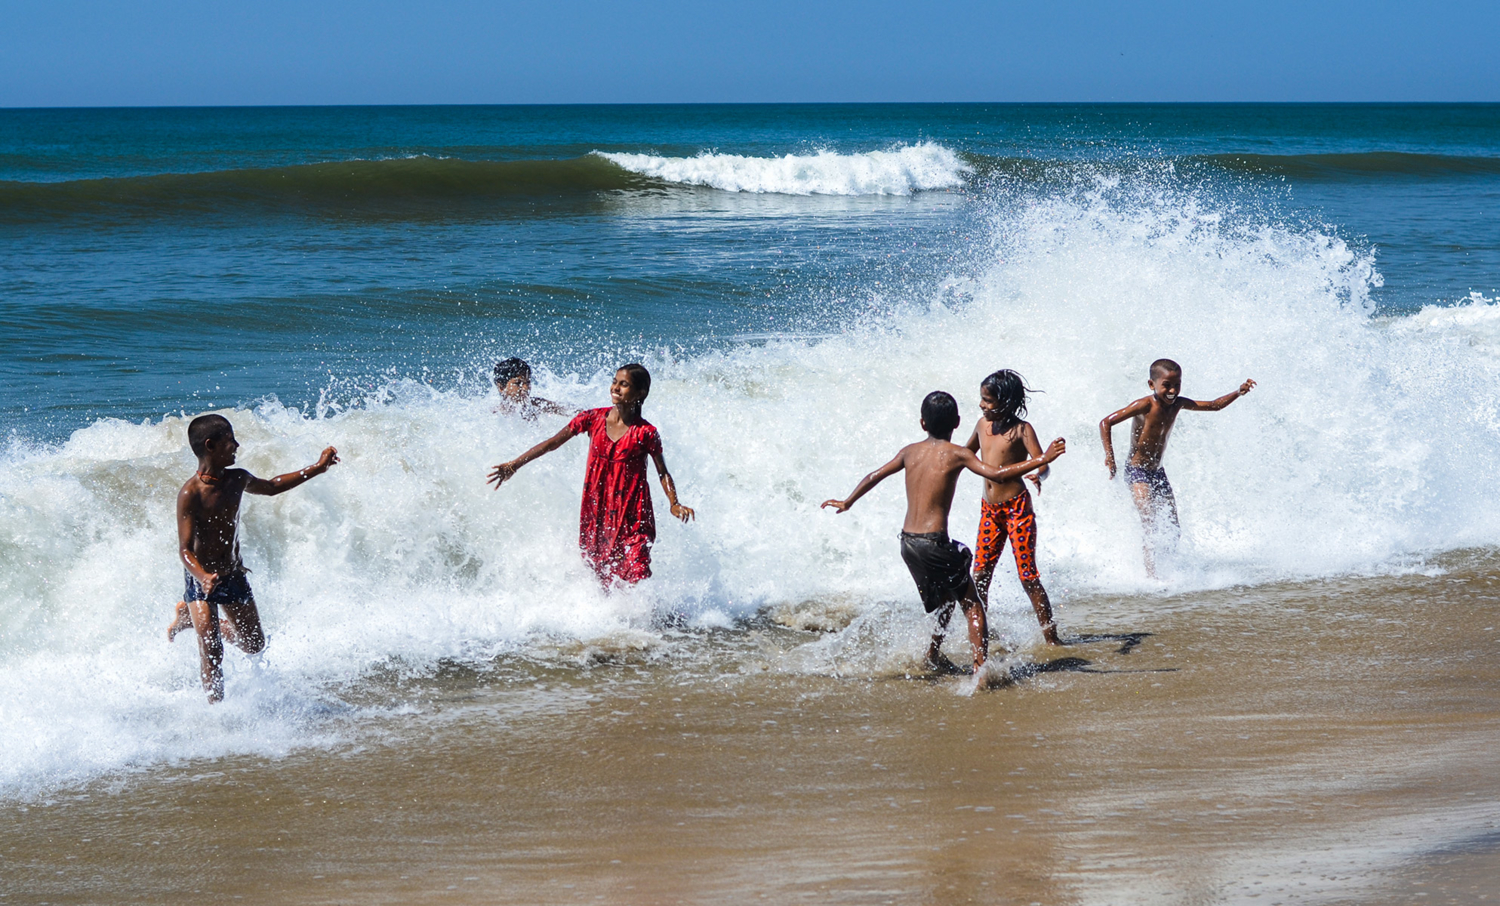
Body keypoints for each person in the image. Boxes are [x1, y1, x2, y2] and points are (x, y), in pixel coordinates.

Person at [822, 391, 1065, 673]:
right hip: (935, 543)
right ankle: (980, 671)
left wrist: (848, 501)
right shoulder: (959, 454)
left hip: (908, 544)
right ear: (958, 422)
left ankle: (932, 655)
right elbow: (997, 474)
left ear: (922, 423)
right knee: (972, 604)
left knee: (947, 599)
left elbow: (875, 475)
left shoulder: (909, 451)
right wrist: (1043, 459)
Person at [166, 414, 338, 702]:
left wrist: (317, 469)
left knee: (254, 644)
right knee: (212, 649)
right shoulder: (190, 494)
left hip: (232, 574)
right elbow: (184, 550)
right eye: (230, 440)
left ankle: (187, 618)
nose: (236, 445)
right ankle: (215, 712)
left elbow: (271, 487)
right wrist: (203, 577)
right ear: (210, 446)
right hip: (202, 578)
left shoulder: (238, 478)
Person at [487, 364, 694, 586]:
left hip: (633, 513)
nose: (615, 387)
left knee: (637, 567)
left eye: (624, 384)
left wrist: (674, 503)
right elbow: (551, 443)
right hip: (597, 510)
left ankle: (645, 616)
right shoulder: (593, 418)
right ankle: (611, 617)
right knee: (601, 571)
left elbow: (663, 472)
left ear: (640, 392)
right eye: (615, 381)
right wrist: (515, 464)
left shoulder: (646, 433)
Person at [1100, 359, 1255, 577]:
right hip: (1137, 472)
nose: (1172, 391)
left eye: (1177, 385)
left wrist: (1237, 392)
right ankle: (1151, 576)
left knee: (1173, 526)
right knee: (1149, 521)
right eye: (1167, 385)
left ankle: (1169, 570)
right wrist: (1110, 457)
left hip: (1157, 472)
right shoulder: (1144, 405)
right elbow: (1105, 422)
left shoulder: (1179, 404)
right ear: (1151, 384)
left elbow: (1214, 405)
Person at [964, 370, 1062, 645]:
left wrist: (1039, 475)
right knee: (980, 575)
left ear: (1006, 402)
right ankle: (982, 632)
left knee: (1028, 576)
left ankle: (1051, 638)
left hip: (1017, 509)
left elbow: (1042, 462)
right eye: (982, 399)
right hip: (989, 510)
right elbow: (964, 454)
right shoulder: (981, 426)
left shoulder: (1022, 430)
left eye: (988, 401)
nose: (982, 405)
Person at [493, 357, 571, 417]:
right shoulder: (496, 414)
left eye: (528, 382)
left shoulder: (538, 404)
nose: (525, 388)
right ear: (501, 388)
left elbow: (569, 411)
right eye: (518, 383)